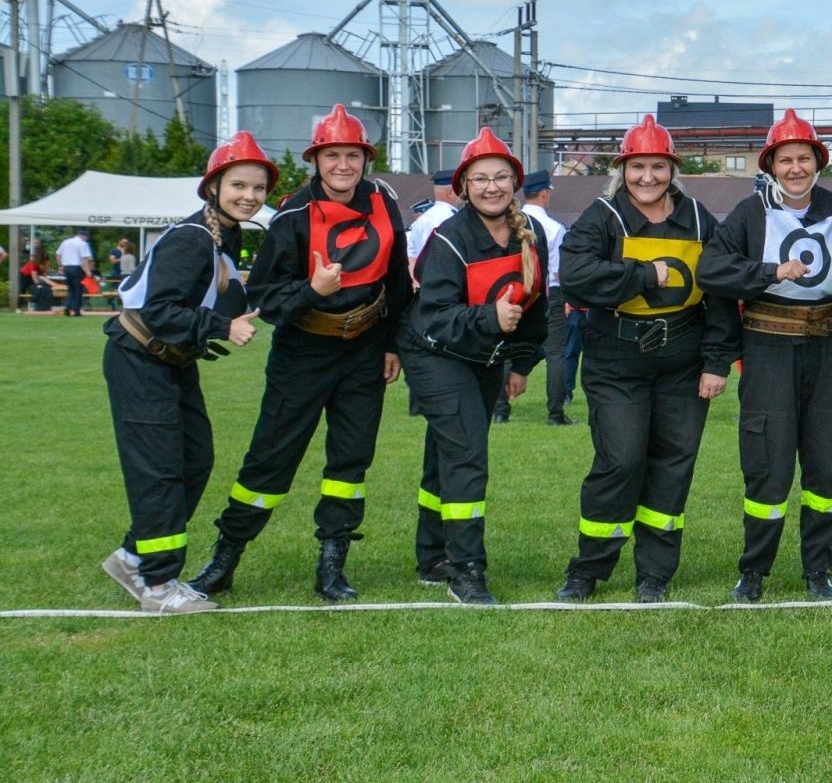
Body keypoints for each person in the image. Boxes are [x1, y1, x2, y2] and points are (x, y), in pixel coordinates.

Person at [188, 110, 414, 603]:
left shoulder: (384, 202)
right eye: (332, 155)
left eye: (352, 155)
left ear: (365, 159)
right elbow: (267, 299)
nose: (342, 164)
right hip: (304, 350)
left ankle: (332, 565)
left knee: (351, 460)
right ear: (315, 160)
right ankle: (225, 558)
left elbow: (396, 277)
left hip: (366, 347)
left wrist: (393, 341)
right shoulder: (291, 216)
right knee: (271, 458)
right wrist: (312, 290)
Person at [554, 115, 737, 603]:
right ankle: (588, 569)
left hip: (683, 359)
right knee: (620, 460)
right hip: (616, 360)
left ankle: (654, 574)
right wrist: (642, 275)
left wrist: (717, 361)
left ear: (672, 169)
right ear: (623, 169)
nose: (648, 177)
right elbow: (576, 276)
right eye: (638, 167)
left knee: (674, 465)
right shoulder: (601, 216)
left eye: (658, 167)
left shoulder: (699, 219)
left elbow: (718, 293)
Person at [699, 109, 832, 602]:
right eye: (786, 159)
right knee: (768, 464)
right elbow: (712, 270)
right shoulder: (749, 213)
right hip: (769, 349)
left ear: (818, 161)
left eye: (804, 158)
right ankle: (754, 571)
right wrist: (771, 272)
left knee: (824, 466)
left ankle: (820, 569)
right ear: (770, 165)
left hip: (827, 349)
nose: (796, 168)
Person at [99, 133, 270, 613]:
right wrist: (221, 326)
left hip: (172, 362)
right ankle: (155, 584)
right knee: (160, 471)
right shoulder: (193, 237)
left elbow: (231, 297)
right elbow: (158, 310)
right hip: (140, 358)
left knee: (194, 458)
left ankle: (134, 556)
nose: (249, 196)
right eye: (238, 184)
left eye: (258, 188)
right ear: (213, 187)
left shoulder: (227, 237)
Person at [399, 128, 549, 604]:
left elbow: (537, 303)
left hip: (484, 358)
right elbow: (438, 314)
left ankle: (431, 557)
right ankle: (465, 571)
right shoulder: (449, 237)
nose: (491, 187)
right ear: (463, 186)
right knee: (466, 455)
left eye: (501, 177)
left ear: (515, 182)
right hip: (435, 354)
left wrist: (521, 362)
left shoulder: (532, 232)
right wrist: (490, 318)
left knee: (443, 455)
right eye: (480, 178)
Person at [523, 169, 579, 425]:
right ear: (544, 194)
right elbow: (560, 269)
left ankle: (499, 408)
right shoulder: (555, 228)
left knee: (503, 347)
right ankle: (555, 412)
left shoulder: (511, 222)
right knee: (556, 352)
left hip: (514, 291)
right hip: (550, 292)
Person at [406, 168, 459, 270]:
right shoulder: (445, 218)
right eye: (460, 190)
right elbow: (436, 257)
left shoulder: (428, 216)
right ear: (451, 192)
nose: (463, 194)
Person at [56, 229, 94, 316]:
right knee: (78, 290)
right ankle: (76, 310)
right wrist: (87, 271)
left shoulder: (65, 242)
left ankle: (67, 306)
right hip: (77, 268)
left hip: (67, 267)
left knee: (71, 289)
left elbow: (58, 255)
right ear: (84, 236)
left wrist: (60, 266)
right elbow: (84, 259)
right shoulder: (83, 244)